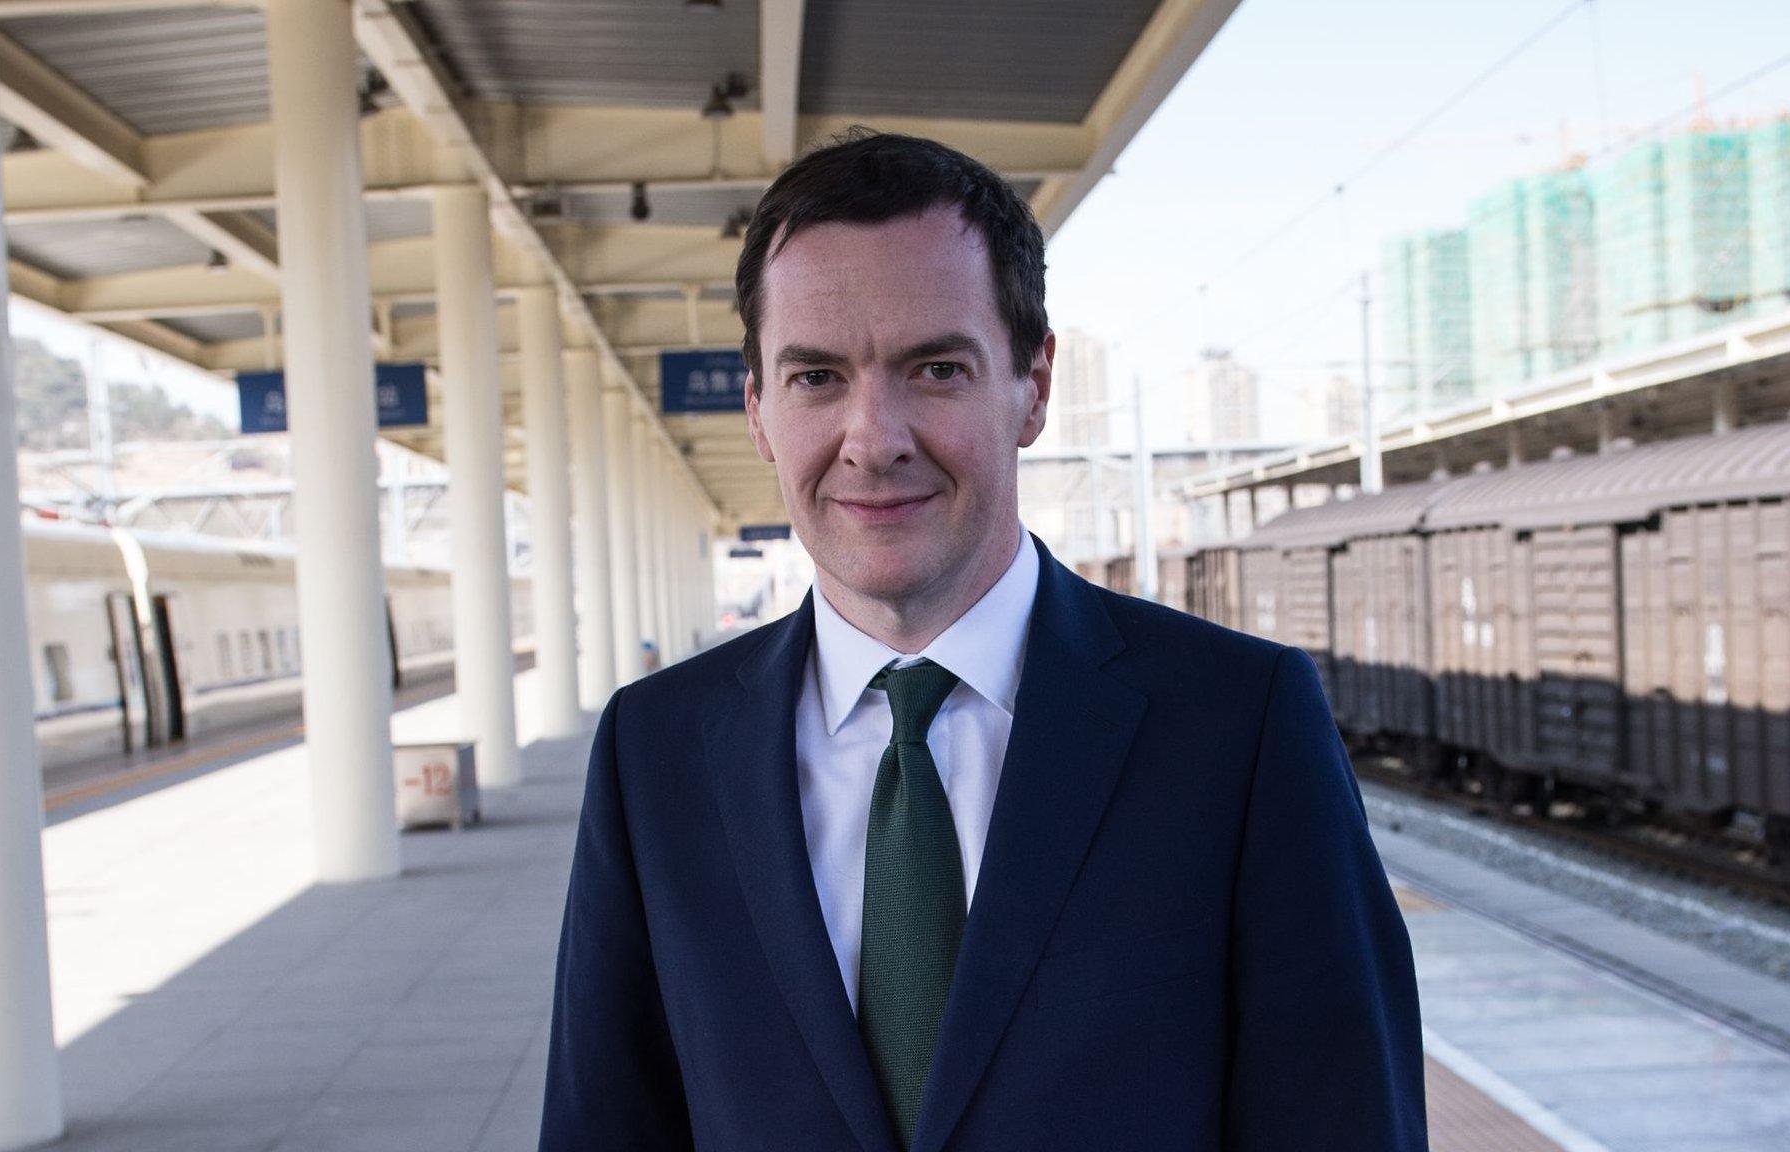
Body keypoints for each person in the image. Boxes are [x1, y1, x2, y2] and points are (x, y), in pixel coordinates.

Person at [539, 130, 1426, 1152]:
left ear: (1032, 387)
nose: (873, 438)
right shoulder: (654, 753)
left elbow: (1343, 1123)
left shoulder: (1237, 726)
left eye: (934, 368)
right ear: (756, 410)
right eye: (816, 377)